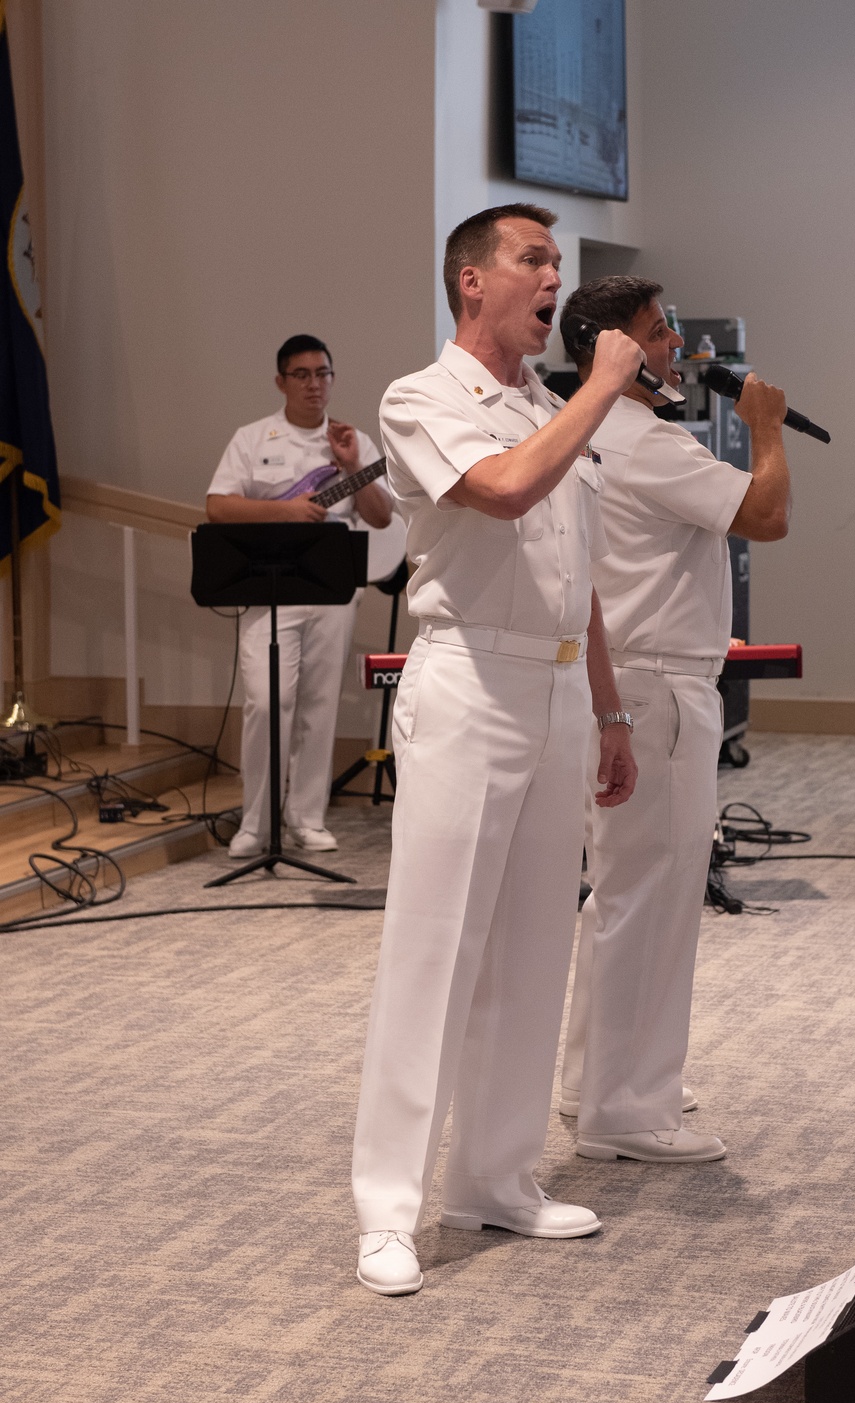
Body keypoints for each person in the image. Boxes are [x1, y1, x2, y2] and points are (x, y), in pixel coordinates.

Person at [351, 204, 642, 1296]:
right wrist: (605, 387)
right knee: (436, 950)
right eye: (533, 259)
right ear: (472, 282)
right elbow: (507, 489)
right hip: (469, 676)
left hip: (560, 679)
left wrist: (610, 713)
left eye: (558, 262)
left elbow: (580, 574)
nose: (553, 278)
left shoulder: (546, 406)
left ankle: (495, 1175)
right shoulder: (420, 397)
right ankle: (387, 1206)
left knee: (532, 946)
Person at [557, 276, 791, 1164]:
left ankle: (599, 1081)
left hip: (638, 684)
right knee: (652, 901)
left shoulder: (600, 434)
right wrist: (765, 429)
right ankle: (630, 1111)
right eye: (659, 334)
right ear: (608, 350)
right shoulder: (639, 438)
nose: (677, 350)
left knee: (623, 895)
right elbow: (765, 514)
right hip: (657, 691)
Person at [206, 335, 394, 857]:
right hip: (269, 593)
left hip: (334, 591)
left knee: (318, 704)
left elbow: (380, 517)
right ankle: (255, 822)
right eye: (303, 374)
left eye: (323, 373)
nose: (315, 384)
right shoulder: (252, 438)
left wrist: (354, 466)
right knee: (268, 702)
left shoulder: (351, 440)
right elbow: (218, 506)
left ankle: (307, 817)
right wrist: (283, 511)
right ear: (281, 381)